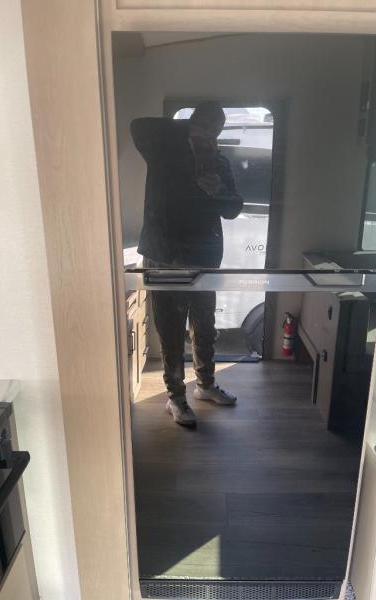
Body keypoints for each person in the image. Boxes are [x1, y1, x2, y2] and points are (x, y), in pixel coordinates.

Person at [131, 102, 243, 426]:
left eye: (216, 130)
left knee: (205, 324)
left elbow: (234, 208)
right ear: (193, 123)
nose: (212, 134)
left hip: (204, 256)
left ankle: (205, 385)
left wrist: (220, 190)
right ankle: (176, 397)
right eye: (206, 126)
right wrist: (188, 131)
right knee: (170, 328)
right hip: (165, 254)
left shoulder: (219, 162)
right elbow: (138, 125)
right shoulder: (163, 151)